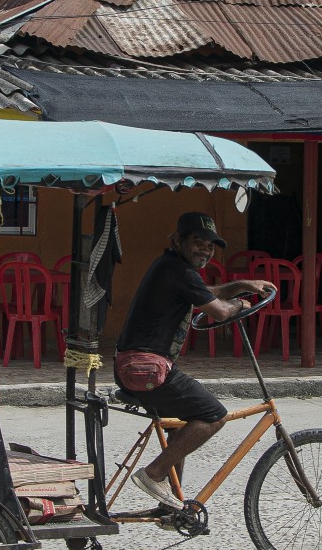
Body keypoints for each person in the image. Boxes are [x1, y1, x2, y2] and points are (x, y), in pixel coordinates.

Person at [114, 211, 275, 510]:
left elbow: (206, 293)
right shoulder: (179, 271)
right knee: (214, 415)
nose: (204, 249)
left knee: (182, 425)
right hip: (146, 368)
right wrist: (240, 303)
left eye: (210, 246)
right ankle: (155, 473)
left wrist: (242, 284)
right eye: (197, 241)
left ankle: (170, 503)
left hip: (136, 366)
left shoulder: (173, 268)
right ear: (177, 240)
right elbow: (221, 311)